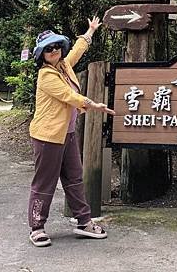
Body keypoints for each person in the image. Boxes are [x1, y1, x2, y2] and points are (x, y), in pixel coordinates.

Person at [28, 15, 115, 247]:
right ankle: (37, 227)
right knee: (45, 183)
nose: (54, 50)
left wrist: (90, 32)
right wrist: (93, 104)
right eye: (49, 48)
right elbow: (69, 96)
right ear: (42, 55)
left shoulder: (64, 66)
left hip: (67, 134)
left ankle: (83, 222)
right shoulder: (46, 75)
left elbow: (76, 51)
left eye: (57, 46)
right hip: (47, 137)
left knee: (75, 179)